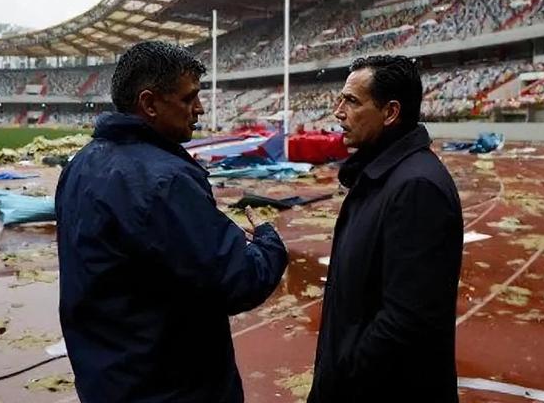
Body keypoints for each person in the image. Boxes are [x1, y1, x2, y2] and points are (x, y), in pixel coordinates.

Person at [55, 41, 288, 403]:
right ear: (149, 103)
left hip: (107, 377)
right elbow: (238, 280)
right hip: (172, 384)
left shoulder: (80, 165)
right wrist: (267, 241)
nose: (199, 108)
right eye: (188, 98)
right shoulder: (164, 181)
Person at [307, 55, 463, 402]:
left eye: (351, 101)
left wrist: (345, 377)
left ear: (390, 112)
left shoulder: (417, 188)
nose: (338, 112)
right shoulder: (381, 175)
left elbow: (406, 320)